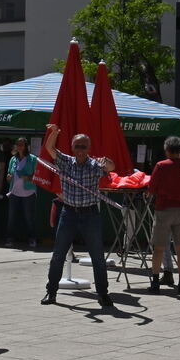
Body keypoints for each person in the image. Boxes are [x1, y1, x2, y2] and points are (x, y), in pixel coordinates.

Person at [41, 125, 116, 307]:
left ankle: (103, 294)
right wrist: (55, 133)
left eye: (84, 147)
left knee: (98, 256)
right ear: (73, 148)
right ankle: (51, 292)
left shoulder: (95, 165)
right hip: (69, 213)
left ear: (89, 149)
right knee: (58, 255)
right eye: (77, 146)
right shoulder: (66, 162)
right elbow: (50, 149)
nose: (81, 150)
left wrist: (107, 162)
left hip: (90, 214)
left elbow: (112, 168)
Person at [147, 136, 180, 295]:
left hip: (164, 209)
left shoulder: (161, 166)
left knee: (159, 248)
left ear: (167, 150)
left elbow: (152, 188)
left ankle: (155, 282)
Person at [5, 136, 38, 248]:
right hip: (14, 192)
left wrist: (29, 177)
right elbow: (9, 175)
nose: (19, 146)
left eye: (21, 144)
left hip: (28, 192)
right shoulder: (13, 159)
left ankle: (32, 239)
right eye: (17, 144)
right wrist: (8, 177)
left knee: (29, 217)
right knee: (11, 217)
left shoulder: (33, 159)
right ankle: (10, 239)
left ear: (26, 146)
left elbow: (37, 176)